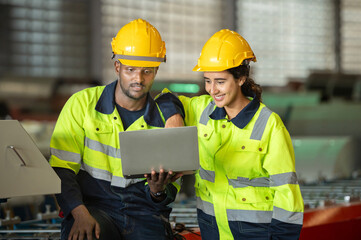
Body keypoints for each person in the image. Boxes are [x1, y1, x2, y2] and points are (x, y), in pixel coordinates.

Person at [49, 19, 184, 240]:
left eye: (147, 71)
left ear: (156, 71)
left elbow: (168, 193)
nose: (138, 79)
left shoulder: (166, 117)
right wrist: (79, 213)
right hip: (94, 208)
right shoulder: (82, 104)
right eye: (130, 70)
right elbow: (61, 169)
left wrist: (157, 190)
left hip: (145, 213)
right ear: (117, 67)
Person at [166, 29, 304, 239]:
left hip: (253, 232)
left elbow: (287, 195)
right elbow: (165, 98)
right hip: (211, 227)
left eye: (220, 81)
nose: (212, 90)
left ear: (241, 78)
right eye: (208, 80)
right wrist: (174, 116)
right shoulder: (202, 109)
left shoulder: (268, 124)